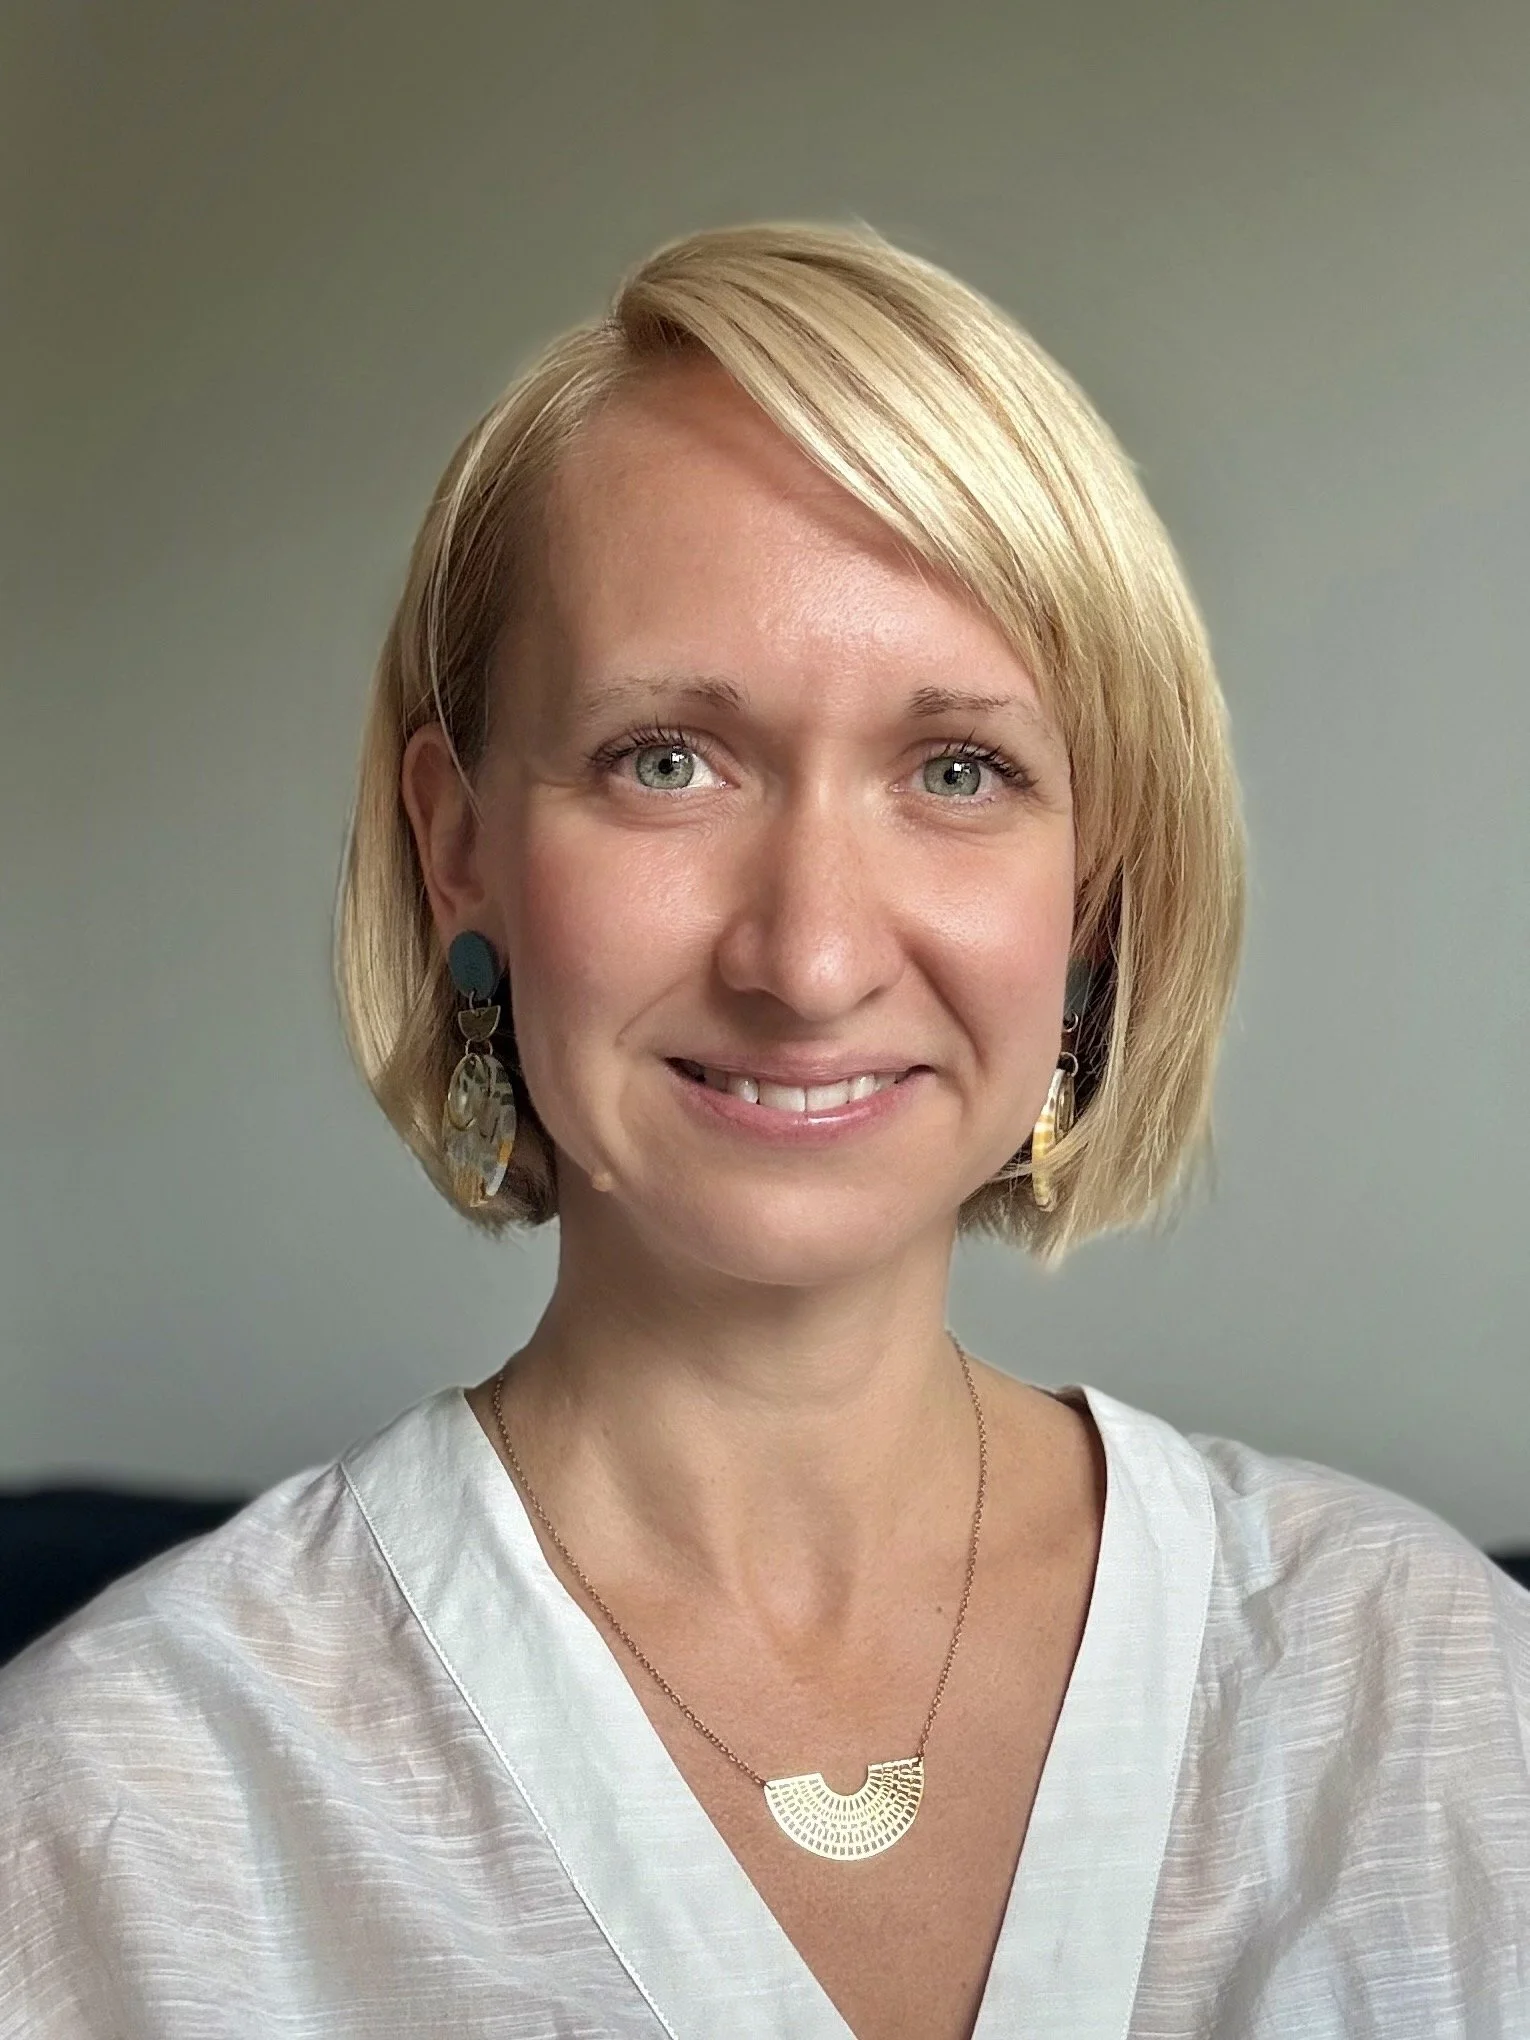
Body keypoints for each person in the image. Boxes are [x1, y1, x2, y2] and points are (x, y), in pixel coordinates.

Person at [1, 220, 1525, 2040]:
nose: (805, 959)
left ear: (1095, 887)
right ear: (458, 842)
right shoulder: (117, 1807)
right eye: (667, 760)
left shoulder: (1424, 1689)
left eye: (957, 770)